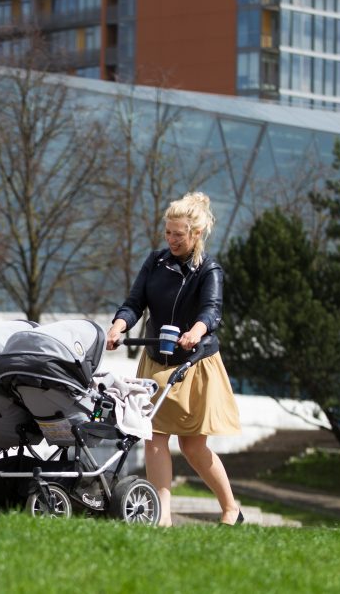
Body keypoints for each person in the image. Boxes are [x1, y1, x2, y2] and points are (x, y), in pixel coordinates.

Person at [105, 192, 242, 527]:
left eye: (178, 234)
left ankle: (230, 509)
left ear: (195, 234)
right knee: (154, 434)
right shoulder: (155, 262)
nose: (171, 239)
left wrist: (196, 331)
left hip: (194, 363)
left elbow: (212, 310)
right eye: (168, 233)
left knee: (194, 447)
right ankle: (162, 515)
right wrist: (118, 325)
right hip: (156, 360)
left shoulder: (208, 269)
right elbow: (135, 301)